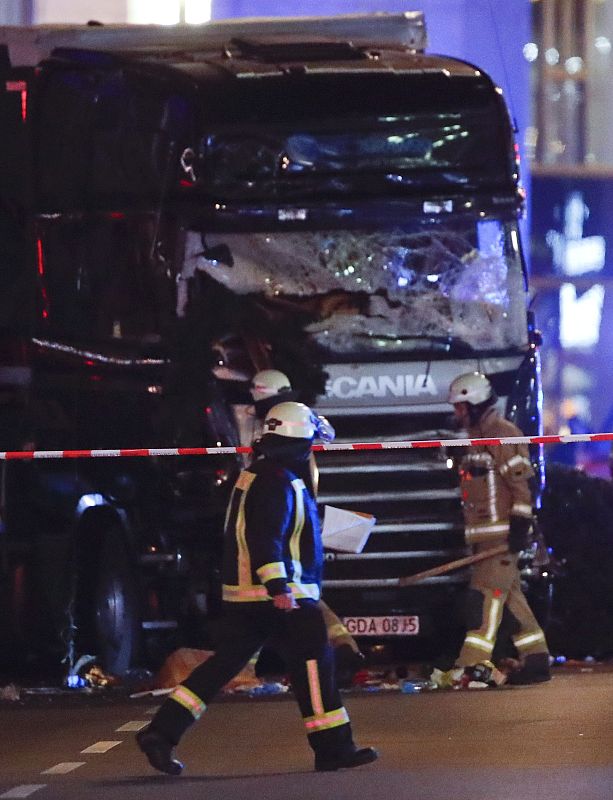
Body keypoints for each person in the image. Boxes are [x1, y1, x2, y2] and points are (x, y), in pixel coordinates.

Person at [137, 401, 378, 775]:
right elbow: (266, 538)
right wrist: (278, 584)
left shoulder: (261, 475)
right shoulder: (278, 481)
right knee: (315, 664)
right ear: (299, 441)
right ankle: (333, 748)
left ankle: (161, 732)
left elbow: (274, 532)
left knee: (223, 666)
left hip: (249, 596)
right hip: (281, 596)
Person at [432, 372, 551, 689]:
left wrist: (519, 527)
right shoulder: (475, 440)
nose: (457, 413)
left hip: (500, 539)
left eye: (460, 406)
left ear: (474, 403)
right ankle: (537, 659)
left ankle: (469, 666)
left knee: (483, 602)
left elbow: (522, 488)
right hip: (484, 541)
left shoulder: (503, 434)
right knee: (512, 600)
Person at [248, 369, 365, 684]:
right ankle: (343, 648)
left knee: (274, 596)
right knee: (300, 596)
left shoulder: (279, 429)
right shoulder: (296, 420)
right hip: (297, 518)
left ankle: (247, 668)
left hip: (284, 521)